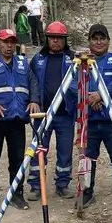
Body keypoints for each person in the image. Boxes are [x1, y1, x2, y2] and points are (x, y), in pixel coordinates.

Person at [0, 28, 41, 213]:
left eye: (12, 42)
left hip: (16, 119)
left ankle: (16, 193)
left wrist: (35, 100)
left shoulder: (22, 63)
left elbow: (33, 82)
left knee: (17, 160)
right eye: (5, 42)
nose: (9, 45)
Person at [82, 23, 112, 210]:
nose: (99, 42)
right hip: (89, 121)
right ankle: (87, 192)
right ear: (89, 42)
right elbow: (72, 84)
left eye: (102, 38)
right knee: (87, 158)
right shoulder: (83, 62)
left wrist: (100, 94)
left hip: (111, 121)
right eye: (95, 38)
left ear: (109, 41)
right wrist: (90, 97)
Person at [28, 21, 77, 200]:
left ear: (64, 40)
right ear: (47, 39)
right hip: (43, 115)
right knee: (38, 151)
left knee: (65, 151)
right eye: (52, 38)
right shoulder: (38, 59)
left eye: (59, 38)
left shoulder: (73, 59)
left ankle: (62, 184)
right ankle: (35, 184)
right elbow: (31, 83)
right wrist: (33, 101)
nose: (55, 41)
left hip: (65, 114)